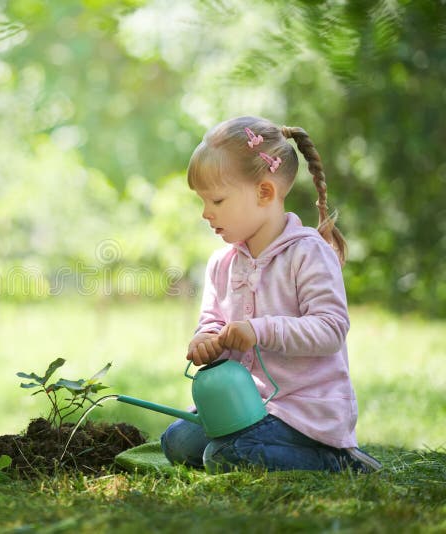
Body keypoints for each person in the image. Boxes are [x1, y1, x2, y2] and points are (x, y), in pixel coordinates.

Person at [161, 116, 382, 473]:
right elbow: (213, 319)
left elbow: (330, 329)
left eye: (216, 199)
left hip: (303, 416)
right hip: (245, 407)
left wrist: (260, 330)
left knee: (221, 456)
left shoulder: (308, 254)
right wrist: (206, 338)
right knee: (176, 443)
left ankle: (336, 460)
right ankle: (243, 444)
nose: (205, 213)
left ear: (265, 192)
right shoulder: (223, 262)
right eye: (202, 201)